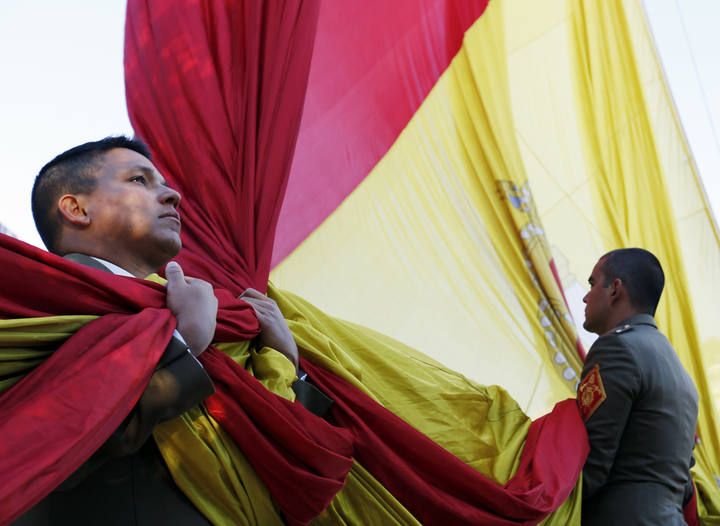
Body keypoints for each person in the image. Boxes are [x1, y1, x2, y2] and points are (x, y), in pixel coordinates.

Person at [17, 136, 303, 525]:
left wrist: (285, 360)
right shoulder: (31, 307)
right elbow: (39, 445)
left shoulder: (213, 311)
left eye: (164, 183)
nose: (173, 196)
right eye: (139, 180)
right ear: (76, 208)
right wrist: (186, 340)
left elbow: (280, 454)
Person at [578, 248, 698, 525]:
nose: (586, 296)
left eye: (593, 283)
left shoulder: (616, 348)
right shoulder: (676, 368)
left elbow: (591, 465)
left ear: (615, 289)